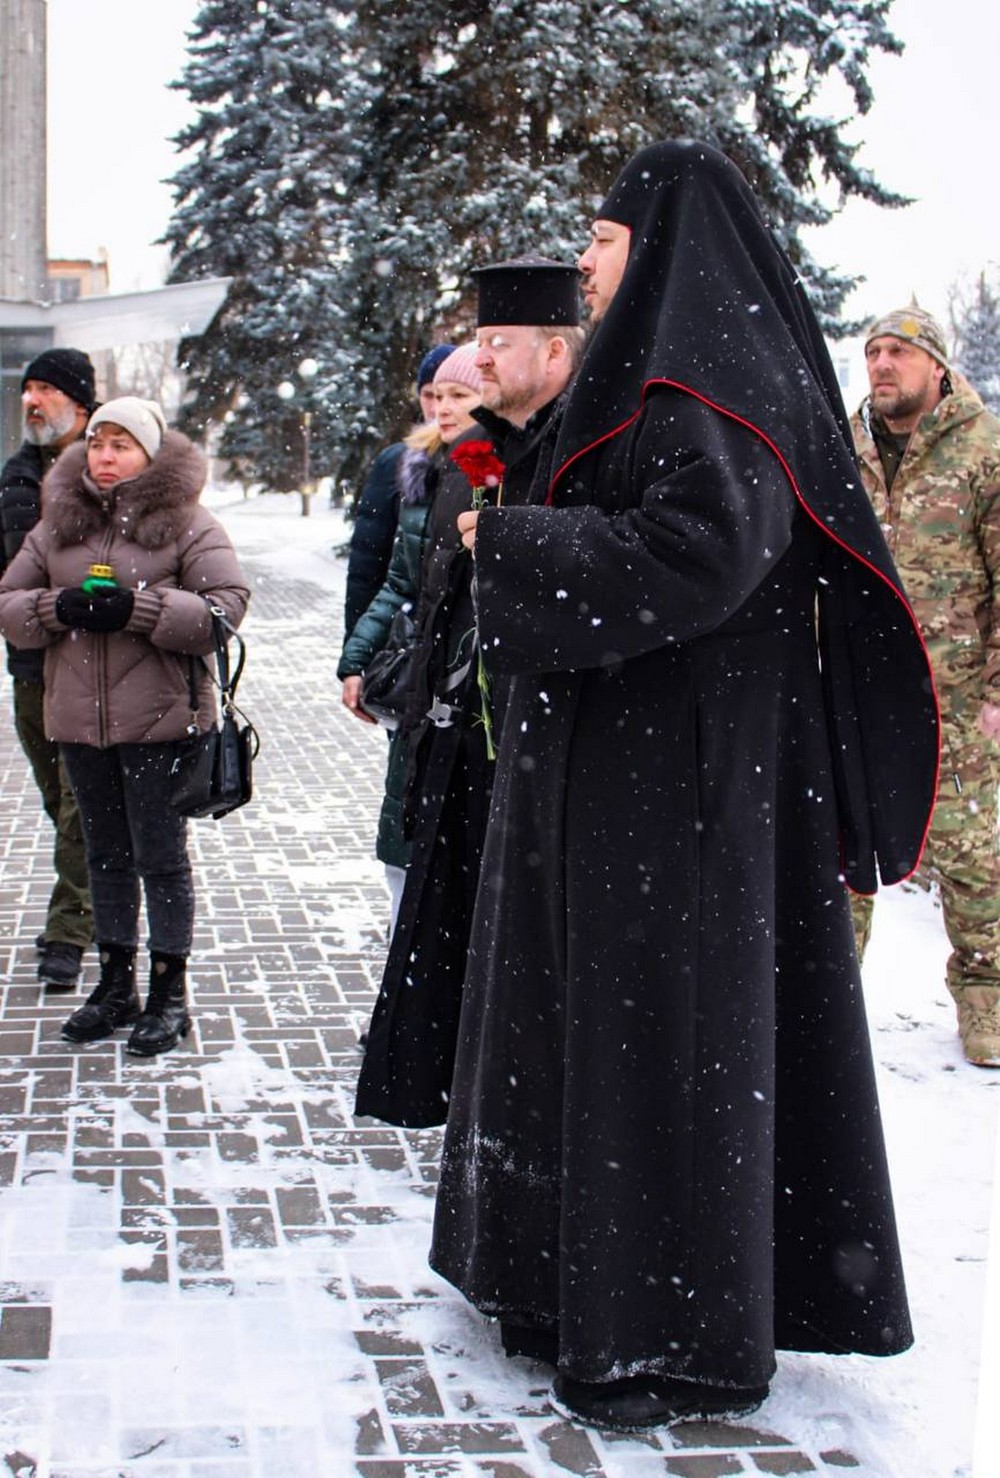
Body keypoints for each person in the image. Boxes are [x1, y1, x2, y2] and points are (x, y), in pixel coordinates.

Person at [430, 140, 939, 1431]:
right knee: (616, 1048)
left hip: (682, 809)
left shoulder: (713, 388)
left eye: (599, 245)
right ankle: (576, 1287)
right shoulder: (671, 380)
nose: (588, 271)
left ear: (662, 240)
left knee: (662, 1054)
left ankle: (665, 1325)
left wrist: (518, 542)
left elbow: (700, 551)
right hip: (637, 793)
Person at [0, 397, 249, 1055]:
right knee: (104, 854)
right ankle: (116, 986)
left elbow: (226, 608)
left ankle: (170, 996)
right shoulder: (57, 524)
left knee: (160, 860)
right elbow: (9, 602)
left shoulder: (187, 522)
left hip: (161, 724)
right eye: (97, 443)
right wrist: (59, 606)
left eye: (122, 445)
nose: (105, 458)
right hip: (79, 726)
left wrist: (139, 611)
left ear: (149, 452)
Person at [850, 306, 1000, 1067]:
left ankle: (988, 1004)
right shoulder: (844, 447)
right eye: (874, 351)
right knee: (843, 849)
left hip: (959, 699)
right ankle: (827, 1010)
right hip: (857, 692)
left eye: (899, 353)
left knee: (973, 857)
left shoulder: (985, 448)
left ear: (936, 366)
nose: (882, 364)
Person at [339, 345, 484, 933]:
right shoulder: (418, 470)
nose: (442, 408)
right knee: (404, 835)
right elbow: (395, 580)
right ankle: (405, 982)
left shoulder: (506, 473)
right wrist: (355, 659)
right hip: (420, 682)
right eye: (436, 396)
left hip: (471, 687)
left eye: (459, 395)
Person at [0, 349, 96, 989]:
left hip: (90, 664)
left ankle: (70, 928)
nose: (32, 399)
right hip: (29, 665)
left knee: (77, 804)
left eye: (47, 390)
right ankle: (103, 881)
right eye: (28, 388)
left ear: (79, 404)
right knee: (56, 795)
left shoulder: (104, 464)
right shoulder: (14, 475)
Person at [344, 344, 456, 637]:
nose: (436, 407)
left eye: (449, 395)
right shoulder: (396, 461)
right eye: (428, 395)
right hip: (401, 632)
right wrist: (357, 646)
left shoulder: (483, 461)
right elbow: (368, 564)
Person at [471, 256, 585, 505]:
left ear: (553, 353)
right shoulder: (470, 446)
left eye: (498, 343)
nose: (480, 360)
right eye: (480, 344)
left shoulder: (591, 446)